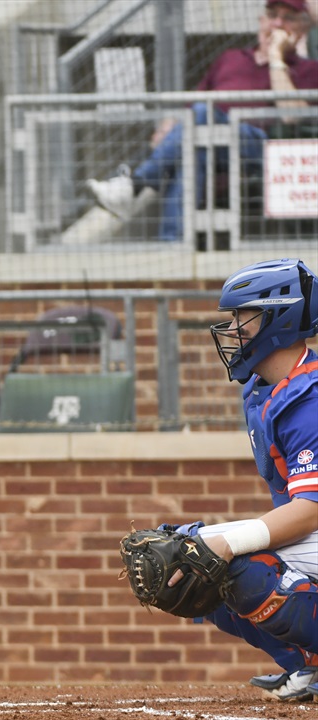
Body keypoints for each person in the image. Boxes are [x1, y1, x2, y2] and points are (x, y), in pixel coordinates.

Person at [161, 259, 318, 701]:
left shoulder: (310, 398)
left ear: (278, 316)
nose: (232, 328)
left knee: (233, 564)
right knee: (183, 556)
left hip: (315, 522)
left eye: (242, 316)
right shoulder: (265, 388)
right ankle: (305, 664)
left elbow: (309, 513)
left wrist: (229, 544)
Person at [87, 0, 318, 242]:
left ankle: (135, 184)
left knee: (200, 117)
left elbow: (292, 114)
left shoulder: (307, 69)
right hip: (212, 139)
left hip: (260, 149)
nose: (278, 24)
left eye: (288, 18)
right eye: (272, 15)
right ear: (261, 20)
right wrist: (172, 125)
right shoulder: (231, 58)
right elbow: (196, 101)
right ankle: (172, 245)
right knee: (194, 150)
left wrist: (275, 57)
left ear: (302, 29)